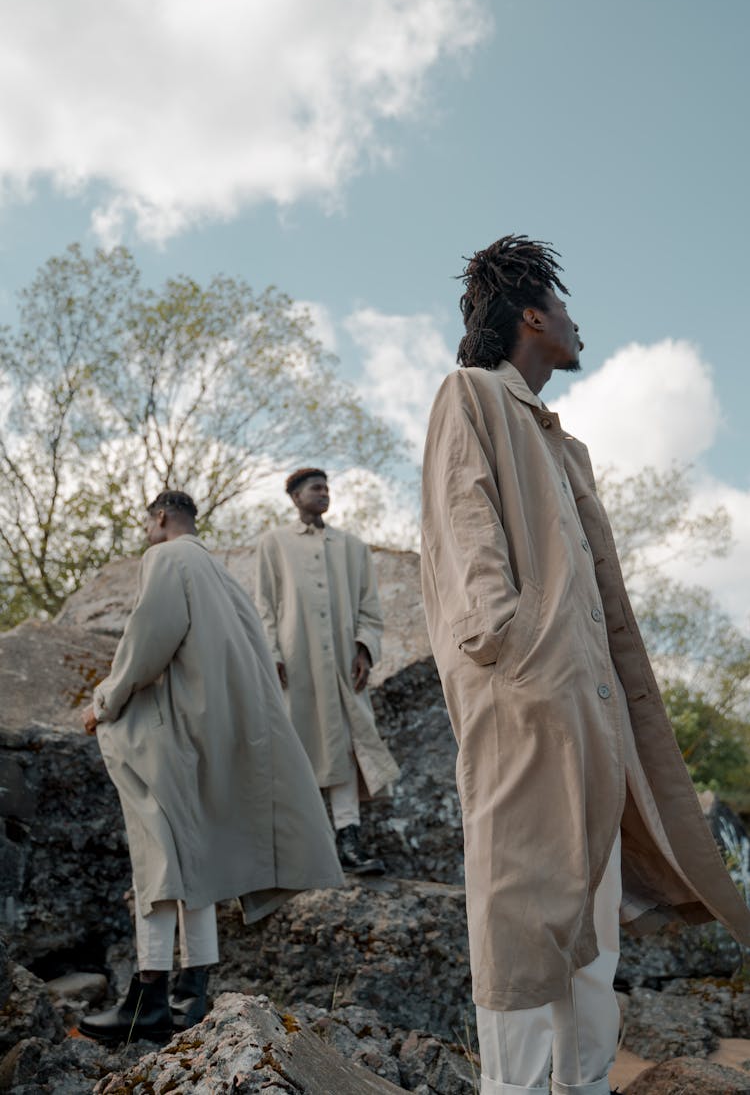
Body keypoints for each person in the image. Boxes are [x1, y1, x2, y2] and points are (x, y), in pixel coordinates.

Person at [420, 235, 750, 1095]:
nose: (576, 323)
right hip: (526, 701)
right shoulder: (470, 395)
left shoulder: (566, 445)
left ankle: (588, 1084)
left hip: (592, 714)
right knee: (523, 916)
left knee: (590, 926)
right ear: (531, 313)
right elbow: (466, 525)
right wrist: (515, 650)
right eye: (564, 308)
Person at [79, 490, 343, 1044]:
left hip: (174, 734)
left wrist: (104, 701)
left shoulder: (168, 558)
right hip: (219, 736)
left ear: (160, 518)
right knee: (193, 865)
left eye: (147, 525)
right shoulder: (223, 576)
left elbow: (146, 644)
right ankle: (189, 995)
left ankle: (146, 1001)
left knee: (158, 862)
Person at [255, 468, 399, 876]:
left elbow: (370, 608)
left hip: (341, 667)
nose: (324, 493)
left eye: (327, 488)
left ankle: (349, 843)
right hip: (294, 667)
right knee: (295, 751)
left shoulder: (353, 548)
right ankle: (298, 848)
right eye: (315, 489)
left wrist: (365, 651)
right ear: (296, 496)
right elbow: (265, 604)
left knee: (344, 750)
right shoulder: (274, 544)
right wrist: (273, 654)